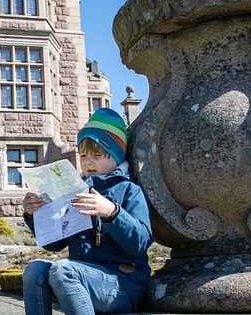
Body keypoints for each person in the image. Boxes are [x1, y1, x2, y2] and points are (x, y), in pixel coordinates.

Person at [21, 108, 153, 315]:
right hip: (82, 277)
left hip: (123, 284)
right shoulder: (76, 190)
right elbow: (53, 245)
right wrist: (34, 214)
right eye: (83, 155)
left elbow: (140, 243)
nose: (88, 161)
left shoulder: (130, 190)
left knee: (64, 271)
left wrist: (112, 213)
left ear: (116, 156)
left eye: (97, 155)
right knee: (35, 270)